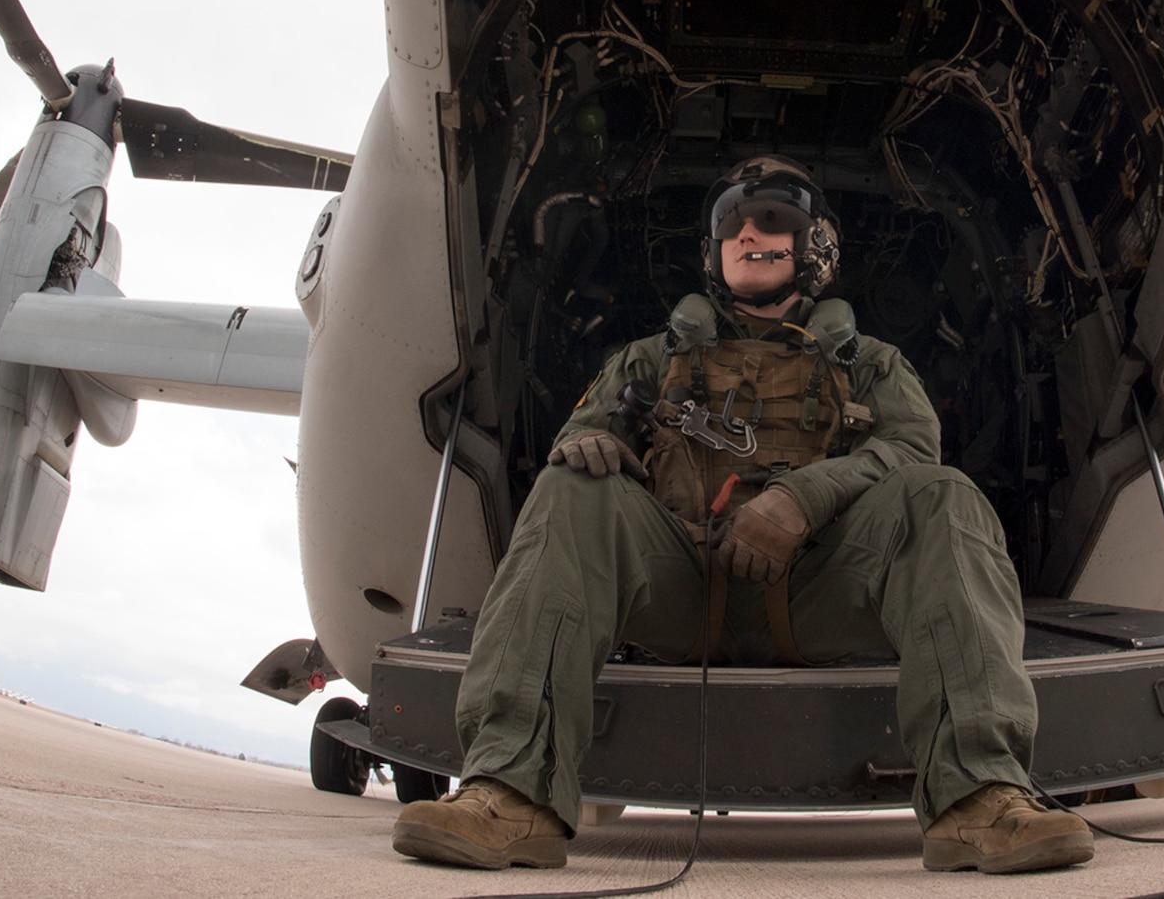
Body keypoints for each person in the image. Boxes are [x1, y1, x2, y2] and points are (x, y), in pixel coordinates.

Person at [392, 156, 1093, 875]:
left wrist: (804, 498)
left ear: (816, 245)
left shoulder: (873, 365)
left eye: (773, 219)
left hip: (818, 588)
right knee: (568, 489)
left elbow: (913, 450)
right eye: (731, 223)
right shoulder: (647, 360)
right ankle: (510, 791)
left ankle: (981, 796)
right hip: (683, 588)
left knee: (944, 497)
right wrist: (595, 446)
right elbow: (578, 438)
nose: (748, 233)